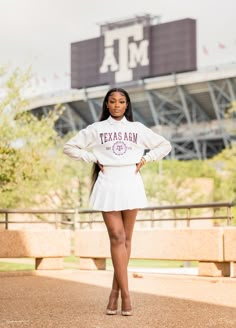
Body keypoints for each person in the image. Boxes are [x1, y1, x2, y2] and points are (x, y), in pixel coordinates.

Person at [63, 88, 171, 316]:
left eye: (121, 101)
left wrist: (146, 158)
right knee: (117, 237)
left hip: (131, 182)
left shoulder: (137, 129)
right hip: (108, 183)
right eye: (112, 101)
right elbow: (69, 147)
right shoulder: (97, 129)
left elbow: (164, 145)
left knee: (127, 240)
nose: (117, 105)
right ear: (107, 105)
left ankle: (114, 293)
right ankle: (127, 295)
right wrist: (93, 157)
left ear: (127, 105)